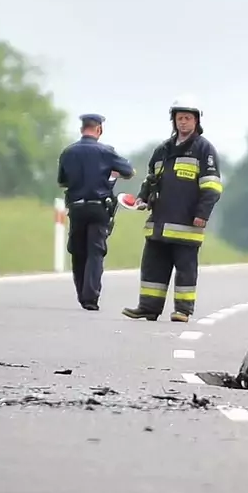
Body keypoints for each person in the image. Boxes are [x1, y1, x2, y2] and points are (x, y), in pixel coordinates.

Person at [123, 97, 221, 323]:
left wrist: (202, 214)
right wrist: (142, 199)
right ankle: (148, 307)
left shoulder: (204, 150)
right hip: (158, 223)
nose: (183, 123)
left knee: (185, 271)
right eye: (179, 119)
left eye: (188, 118)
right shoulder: (162, 150)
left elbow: (212, 187)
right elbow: (151, 180)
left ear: (196, 121)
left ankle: (183, 311)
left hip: (187, 225)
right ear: (173, 121)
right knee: (152, 268)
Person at [58, 113, 135, 311]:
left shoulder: (68, 152)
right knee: (95, 251)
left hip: (76, 207)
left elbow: (62, 181)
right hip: (99, 207)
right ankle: (90, 297)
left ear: (81, 129)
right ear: (99, 129)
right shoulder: (106, 151)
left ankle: (81, 294)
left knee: (78, 250)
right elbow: (129, 171)